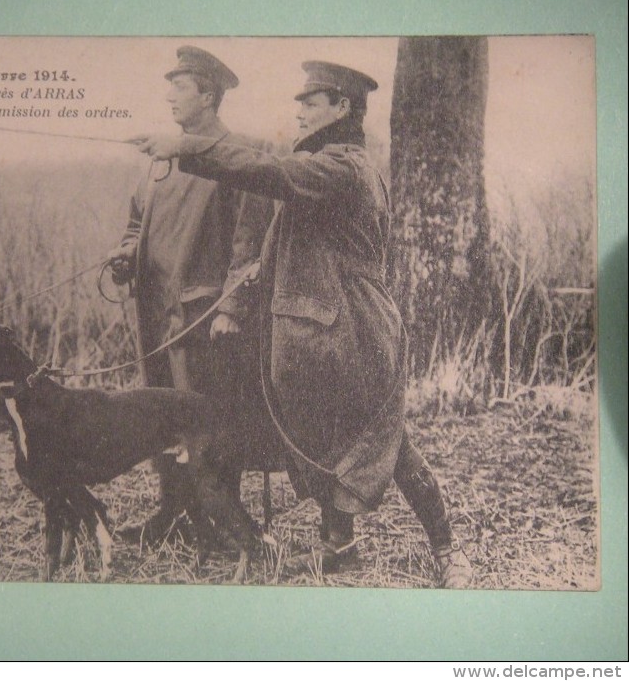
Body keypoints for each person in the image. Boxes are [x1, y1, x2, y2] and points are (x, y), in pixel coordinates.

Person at [130, 60, 473, 588]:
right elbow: (271, 256)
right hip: (319, 337)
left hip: (359, 335)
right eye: (299, 103)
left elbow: (273, 172)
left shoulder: (343, 167)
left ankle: (449, 552)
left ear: (342, 109)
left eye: (311, 103)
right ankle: (339, 546)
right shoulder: (319, 168)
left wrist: (187, 148)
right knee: (321, 435)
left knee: (390, 445)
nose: (300, 112)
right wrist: (236, 304)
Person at [107, 46, 276, 545]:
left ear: (208, 95)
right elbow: (137, 224)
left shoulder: (241, 155)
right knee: (158, 416)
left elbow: (251, 243)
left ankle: (222, 523)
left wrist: (231, 307)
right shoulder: (160, 160)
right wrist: (125, 254)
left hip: (203, 320)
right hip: (154, 315)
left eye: (179, 87)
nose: (169, 97)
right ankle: (174, 514)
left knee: (208, 419)